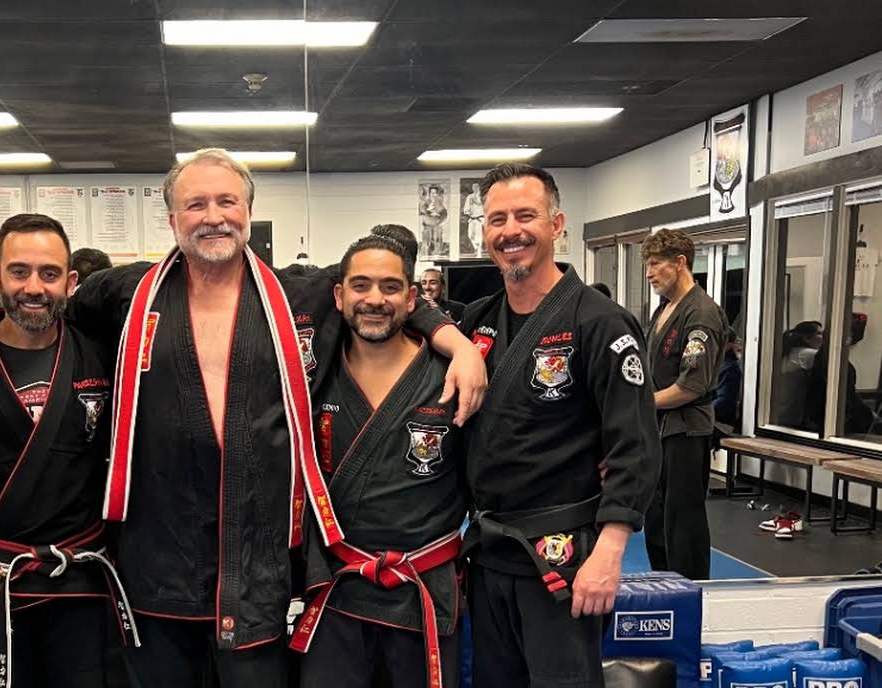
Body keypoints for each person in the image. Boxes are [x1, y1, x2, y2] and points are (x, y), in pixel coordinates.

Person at [0, 149, 485, 688]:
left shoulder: (301, 293)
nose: (213, 216)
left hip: (257, 561)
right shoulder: (126, 292)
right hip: (157, 558)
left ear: (248, 210)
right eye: (195, 204)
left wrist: (456, 342)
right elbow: (43, 309)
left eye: (227, 201)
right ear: (172, 218)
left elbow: (383, 294)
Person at [457, 163, 660, 688]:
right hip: (492, 551)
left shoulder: (600, 322)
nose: (511, 231)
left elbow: (635, 444)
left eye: (526, 215)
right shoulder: (477, 321)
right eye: (497, 219)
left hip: (562, 556)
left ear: (556, 224)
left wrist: (610, 552)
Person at [0, 214, 133, 688]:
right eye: (19, 272)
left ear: (71, 282)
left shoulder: (103, 353)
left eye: (49, 273)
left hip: (79, 585)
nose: (34, 287)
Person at [292, 236, 467, 688]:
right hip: (338, 591)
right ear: (339, 296)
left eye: (390, 287)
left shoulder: (452, 377)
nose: (375, 299)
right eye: (361, 285)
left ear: (412, 299)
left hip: (421, 588)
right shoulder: (312, 377)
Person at [642, 228, 728, 581]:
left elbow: (690, 386)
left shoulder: (701, 313)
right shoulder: (664, 309)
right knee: (656, 517)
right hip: (658, 428)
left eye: (655, 264)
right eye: (647, 265)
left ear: (680, 262)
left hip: (685, 429)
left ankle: (692, 591)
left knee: (682, 519)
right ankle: (663, 585)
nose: (649, 273)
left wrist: (639, 404)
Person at [714, 327, 743, 434]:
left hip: (721, 424)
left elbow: (724, 402)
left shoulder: (730, 368)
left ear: (729, 345)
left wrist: (700, 413)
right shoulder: (713, 363)